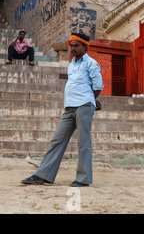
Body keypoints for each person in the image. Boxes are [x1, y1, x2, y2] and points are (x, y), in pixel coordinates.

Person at [21, 32, 104, 187]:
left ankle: (83, 178)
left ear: (85, 47)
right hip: (69, 107)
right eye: (71, 45)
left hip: (84, 106)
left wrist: (91, 100)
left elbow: (98, 86)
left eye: (76, 46)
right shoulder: (72, 64)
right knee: (57, 140)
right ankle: (43, 175)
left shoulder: (91, 63)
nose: (72, 48)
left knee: (83, 142)